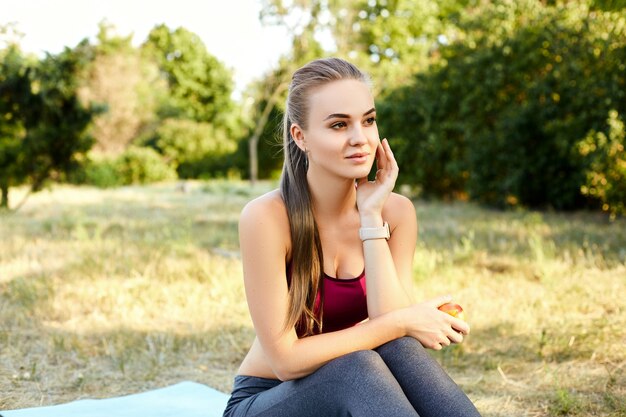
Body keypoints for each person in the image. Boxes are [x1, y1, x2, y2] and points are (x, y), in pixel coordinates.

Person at [223, 57, 481, 417]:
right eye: (339, 125)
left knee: (398, 352)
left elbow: (396, 336)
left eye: (369, 120)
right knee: (358, 366)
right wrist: (400, 322)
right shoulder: (267, 218)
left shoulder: (396, 213)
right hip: (270, 400)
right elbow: (286, 361)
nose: (360, 139)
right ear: (301, 137)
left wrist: (372, 216)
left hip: (361, 397)